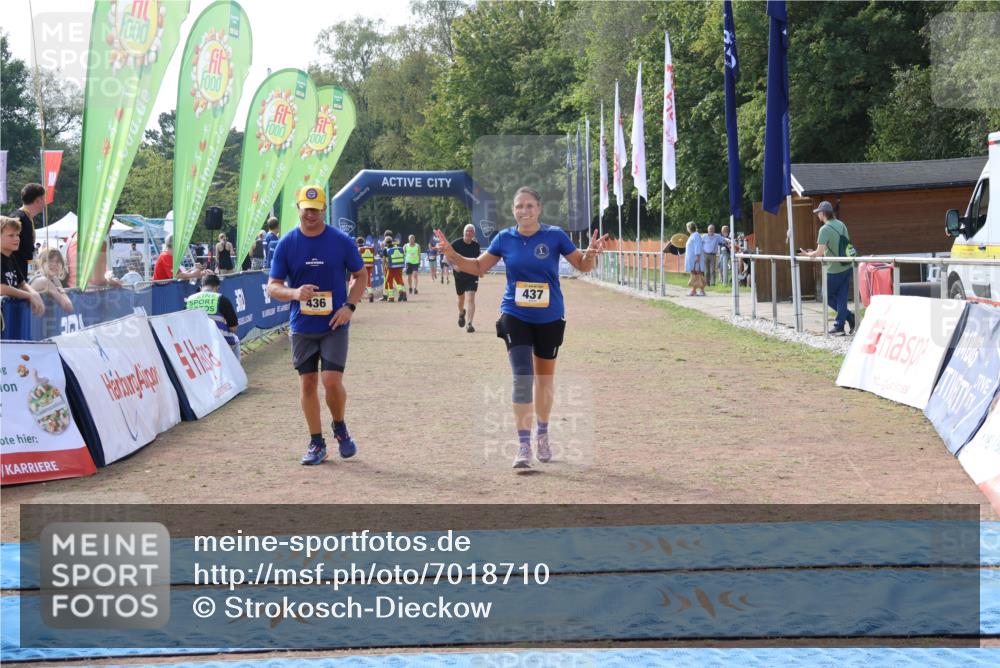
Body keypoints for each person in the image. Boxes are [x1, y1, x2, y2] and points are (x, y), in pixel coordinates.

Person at [435, 187, 609, 469]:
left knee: (544, 381)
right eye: (519, 206)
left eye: (529, 206)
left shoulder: (555, 236)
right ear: (513, 210)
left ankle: (542, 433)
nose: (524, 211)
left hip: (550, 316)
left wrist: (591, 253)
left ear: (539, 208)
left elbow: (583, 265)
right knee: (522, 378)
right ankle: (524, 444)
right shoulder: (505, 238)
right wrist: (451, 254)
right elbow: (478, 267)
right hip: (515, 314)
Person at [267, 185, 367, 465]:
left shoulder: (341, 241)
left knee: (331, 381)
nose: (310, 214)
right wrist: (295, 293)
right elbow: (273, 286)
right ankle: (316, 443)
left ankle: (340, 426)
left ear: (324, 209)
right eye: (306, 209)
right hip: (302, 326)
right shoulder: (287, 243)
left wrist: (349, 307)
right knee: (308, 384)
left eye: (316, 209)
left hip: (335, 323)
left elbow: (361, 275)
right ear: (298, 208)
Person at [799, 200, 856, 335]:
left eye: (818, 213)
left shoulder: (824, 229)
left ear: (823, 213)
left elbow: (818, 253)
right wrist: (820, 251)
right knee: (841, 297)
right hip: (846, 265)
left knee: (827, 295)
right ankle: (840, 325)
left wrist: (808, 254)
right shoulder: (841, 224)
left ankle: (847, 318)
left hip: (834, 269)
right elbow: (839, 245)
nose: (818, 215)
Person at [185, 274, 241, 358]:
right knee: (235, 340)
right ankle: (236, 370)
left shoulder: (189, 300)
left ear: (201, 287)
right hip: (219, 341)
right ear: (217, 287)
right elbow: (233, 328)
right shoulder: (221, 299)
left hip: (195, 341)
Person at [1, 217, 45, 322]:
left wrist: (34, 293)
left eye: (17, 235)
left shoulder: (11, 257)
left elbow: (22, 283)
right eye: (11, 235)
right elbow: (2, 288)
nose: (17, 239)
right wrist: (29, 296)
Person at [450, 224, 481, 333]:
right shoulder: (456, 244)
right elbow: (446, 256)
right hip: (459, 275)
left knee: (471, 298)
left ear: (473, 233)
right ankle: (461, 312)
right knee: (461, 299)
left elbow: (478, 260)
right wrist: (454, 266)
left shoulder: (476, 246)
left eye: (471, 231)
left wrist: (480, 271)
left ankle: (469, 324)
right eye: (467, 231)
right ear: (464, 232)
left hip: (472, 275)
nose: (469, 233)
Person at [10, 183, 44, 279]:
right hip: (18, 276)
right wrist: (29, 276)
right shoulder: (18, 218)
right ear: (38, 200)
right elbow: (17, 252)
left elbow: (29, 251)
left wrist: (32, 274)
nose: (44, 202)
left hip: (24, 274)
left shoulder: (26, 218)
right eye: (43, 199)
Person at [29, 247, 74, 313]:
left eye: (58, 262)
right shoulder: (43, 281)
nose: (54, 264)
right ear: (41, 262)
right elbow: (68, 306)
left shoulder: (55, 279)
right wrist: (62, 292)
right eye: (50, 261)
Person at [684, 222, 705, 296]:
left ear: (689, 228)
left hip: (695, 258)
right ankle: (694, 290)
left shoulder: (696, 235)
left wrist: (697, 256)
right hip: (692, 258)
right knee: (694, 274)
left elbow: (697, 246)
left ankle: (701, 291)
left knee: (697, 274)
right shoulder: (692, 235)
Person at [384, 238, 407, 302]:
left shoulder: (386, 249)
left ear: (386, 242)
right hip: (399, 267)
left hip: (391, 268)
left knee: (389, 281)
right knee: (398, 280)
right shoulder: (396, 248)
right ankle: (402, 292)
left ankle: (391, 297)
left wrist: (385, 267)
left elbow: (385, 260)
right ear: (392, 242)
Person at [357, 236, 376, 302]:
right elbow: (373, 258)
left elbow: (357, 260)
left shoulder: (359, 249)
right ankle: (371, 294)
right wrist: (372, 266)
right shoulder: (369, 248)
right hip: (369, 267)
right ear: (363, 242)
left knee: (358, 282)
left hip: (361, 267)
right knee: (368, 282)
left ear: (357, 243)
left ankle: (358, 298)